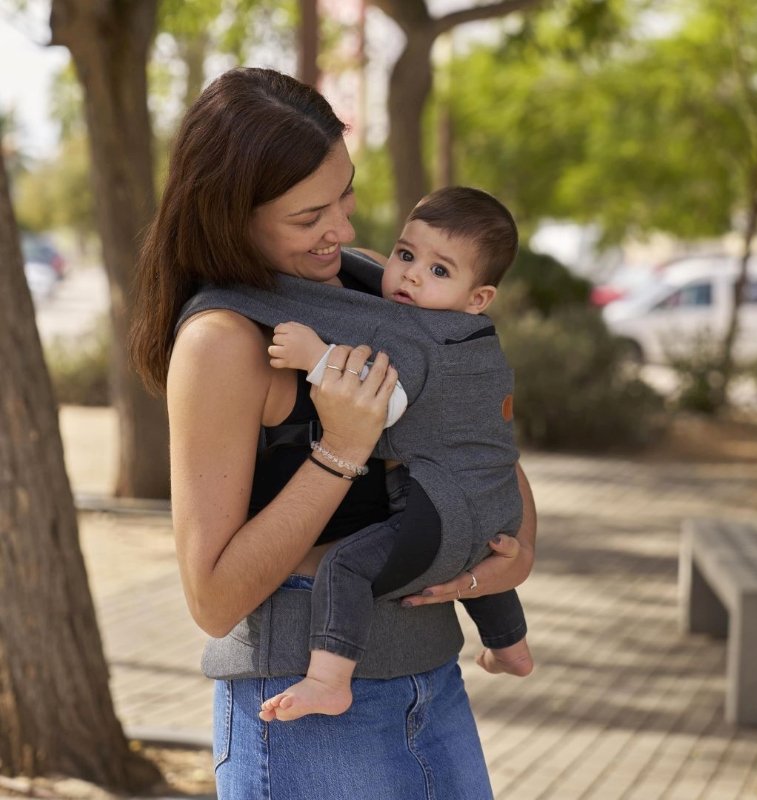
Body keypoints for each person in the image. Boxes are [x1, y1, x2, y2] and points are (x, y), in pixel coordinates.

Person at [130, 66, 536, 800]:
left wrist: (515, 547)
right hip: (303, 714)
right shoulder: (221, 340)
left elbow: (470, 429)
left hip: (433, 681)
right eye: (308, 215)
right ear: (232, 213)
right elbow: (214, 599)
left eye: (344, 194)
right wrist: (342, 448)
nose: (343, 230)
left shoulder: (371, 281)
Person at [256, 186, 533, 723]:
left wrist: (315, 355)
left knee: (346, 567)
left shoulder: (414, 334)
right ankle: (509, 646)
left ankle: (328, 680)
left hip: (436, 506)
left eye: (438, 271)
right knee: (475, 549)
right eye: (406, 255)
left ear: (479, 296)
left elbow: (379, 402)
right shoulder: (479, 339)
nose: (409, 275)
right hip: (498, 508)